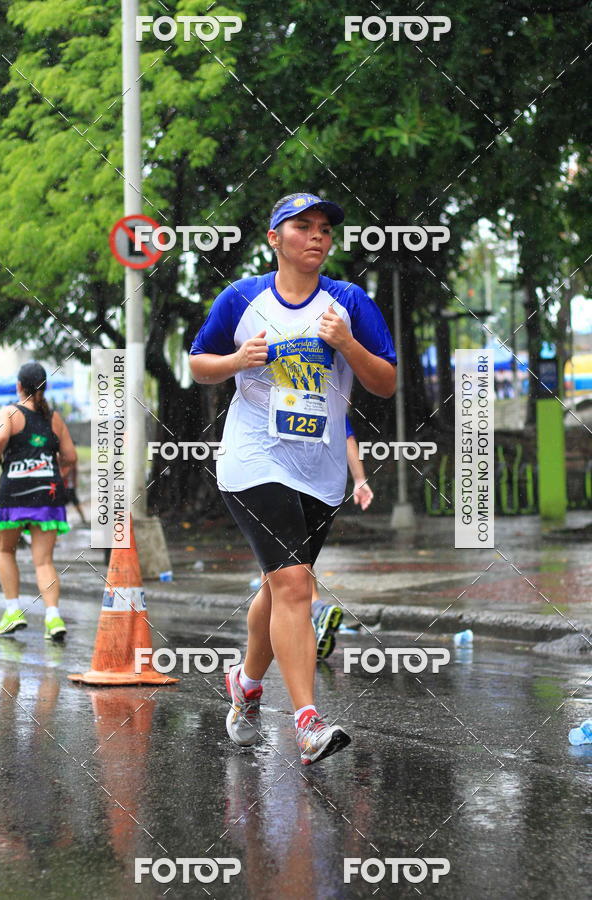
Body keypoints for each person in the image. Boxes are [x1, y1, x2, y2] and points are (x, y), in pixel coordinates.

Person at [190, 192, 397, 765]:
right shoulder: (242, 298)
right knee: (295, 587)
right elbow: (198, 362)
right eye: (302, 227)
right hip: (254, 458)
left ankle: (247, 684)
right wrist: (238, 362)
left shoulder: (350, 302)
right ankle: (307, 721)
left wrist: (346, 343)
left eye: (325, 228)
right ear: (274, 238)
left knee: (280, 583)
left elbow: (385, 383)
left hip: (320, 468)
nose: (317, 237)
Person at [0, 362, 77, 640]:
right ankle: (53, 618)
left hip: (14, 494)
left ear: (19, 386)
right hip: (47, 495)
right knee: (44, 561)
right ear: (44, 387)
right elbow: (71, 457)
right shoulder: (53, 418)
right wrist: (55, 476)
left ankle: (13, 611)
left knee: (6, 552)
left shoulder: (9, 412)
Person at [311, 415, 374, 660]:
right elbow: (346, 435)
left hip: (285, 479)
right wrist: (359, 479)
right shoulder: (327, 391)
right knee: (295, 560)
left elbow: (344, 433)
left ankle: (315, 614)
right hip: (320, 486)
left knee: (282, 567)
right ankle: (315, 613)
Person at [60, 441, 86, 525]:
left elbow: (72, 471)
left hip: (68, 486)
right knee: (69, 503)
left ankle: (82, 519)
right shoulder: (67, 456)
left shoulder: (71, 457)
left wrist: (74, 482)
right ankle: (82, 519)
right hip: (66, 485)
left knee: (68, 503)